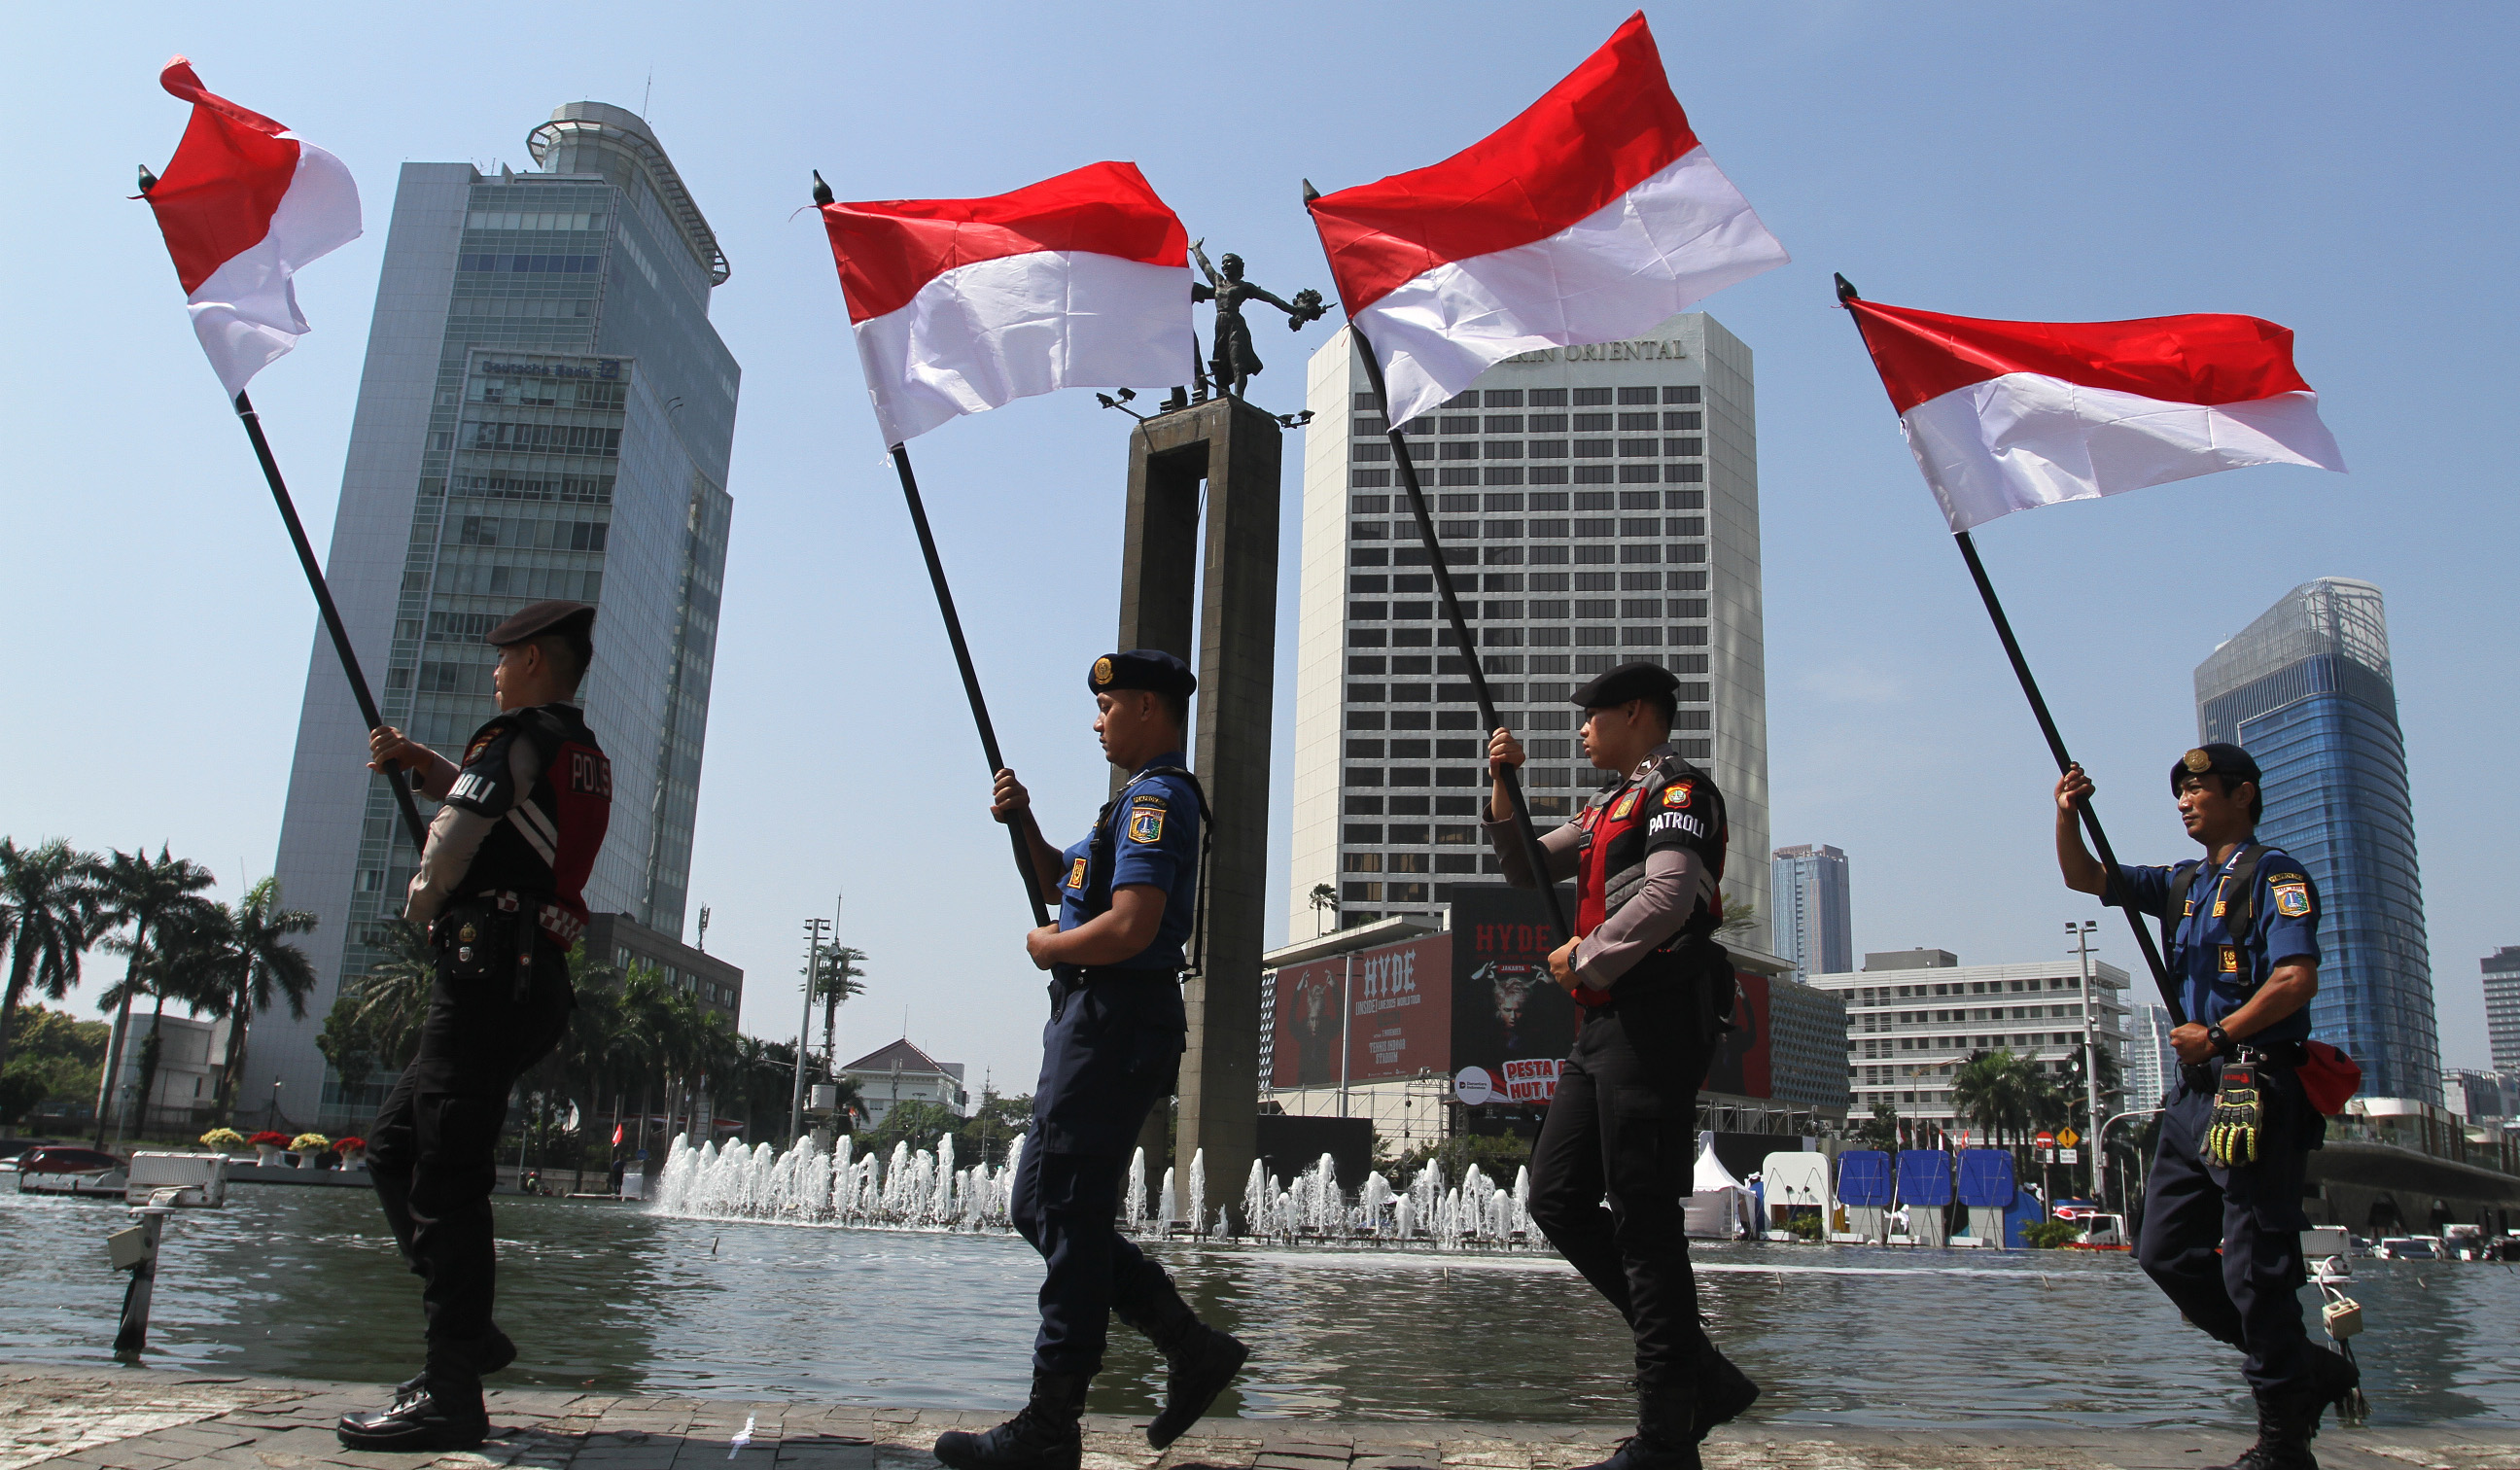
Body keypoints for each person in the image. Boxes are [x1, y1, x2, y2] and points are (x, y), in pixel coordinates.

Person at [935, 649, 1248, 1470]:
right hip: (1095, 1020)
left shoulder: (1156, 802)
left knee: (1065, 1211)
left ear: (1147, 707)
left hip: (1115, 1019)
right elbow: (1058, 880)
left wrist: (1049, 948)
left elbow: (1132, 925)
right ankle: (1188, 1345)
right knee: (1039, 1207)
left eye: (1109, 706)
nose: (1098, 721)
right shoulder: (1122, 809)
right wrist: (1023, 821)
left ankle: (1051, 1425)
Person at [334, 600, 612, 1452]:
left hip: (489, 972)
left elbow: (459, 835)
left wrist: (422, 905)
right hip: (534, 978)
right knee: (396, 1148)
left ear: (531, 660)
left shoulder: (514, 736)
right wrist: (425, 765)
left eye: (501, 659)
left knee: (447, 1175)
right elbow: (512, 814)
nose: (494, 673)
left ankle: (451, 1388)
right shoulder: (579, 752)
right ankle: (470, 1329)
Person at [1484, 662, 1760, 1470]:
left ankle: (1667, 1435)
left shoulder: (1680, 793)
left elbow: (1670, 897)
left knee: (1643, 1218)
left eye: (1593, 715)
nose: (1581, 729)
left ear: (1636, 712)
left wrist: (1587, 954)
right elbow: (1524, 866)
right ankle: (1701, 1373)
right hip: (1605, 1023)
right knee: (1557, 1195)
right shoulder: (1610, 804)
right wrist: (1502, 784)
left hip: (1658, 1018)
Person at [2055, 746, 2359, 1470]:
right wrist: (2066, 814)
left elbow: (2295, 979)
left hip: (2253, 1086)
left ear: (2242, 794)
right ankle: (2300, 1367)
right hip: (2194, 1096)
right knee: (2162, 1251)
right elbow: (2085, 876)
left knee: (2255, 1268)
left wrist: (2220, 1033)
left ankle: (2284, 1441)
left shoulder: (2275, 876)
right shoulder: (2183, 883)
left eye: (2198, 789)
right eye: (2181, 793)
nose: (2185, 802)